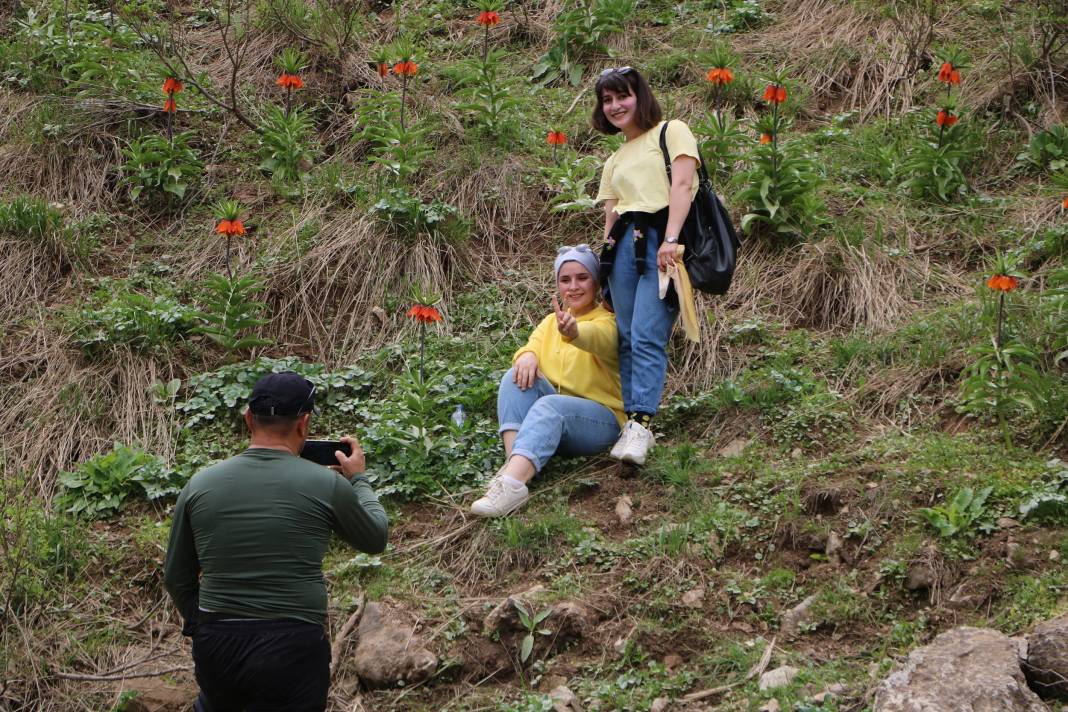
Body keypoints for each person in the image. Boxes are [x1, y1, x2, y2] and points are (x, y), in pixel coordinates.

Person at [164, 371, 388, 712]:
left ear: (249, 418)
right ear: (304, 423)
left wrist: (204, 623)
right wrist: (358, 479)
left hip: (217, 645)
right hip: (292, 647)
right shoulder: (326, 485)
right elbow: (375, 537)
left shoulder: (200, 485)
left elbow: (176, 577)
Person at [593, 65, 701, 466]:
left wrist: (672, 239)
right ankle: (630, 422)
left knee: (646, 332)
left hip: (661, 240)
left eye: (623, 96)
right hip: (623, 246)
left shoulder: (671, 131)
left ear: (641, 96)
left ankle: (641, 424)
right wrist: (602, 274)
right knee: (624, 335)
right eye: (607, 100)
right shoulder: (615, 158)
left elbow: (683, 185)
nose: (616, 106)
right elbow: (610, 216)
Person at [470, 245, 625, 517]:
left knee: (551, 405)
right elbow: (532, 346)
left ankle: (513, 485)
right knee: (514, 377)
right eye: (565, 280)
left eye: (582, 277)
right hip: (557, 421)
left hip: (601, 421)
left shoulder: (609, 322)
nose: (573, 287)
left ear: (596, 282)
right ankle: (512, 468)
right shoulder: (549, 322)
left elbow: (597, 338)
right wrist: (527, 355)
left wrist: (574, 330)